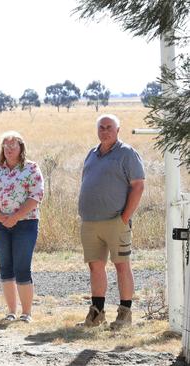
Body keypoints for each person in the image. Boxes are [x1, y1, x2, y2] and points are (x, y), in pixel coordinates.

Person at [77, 114, 145, 329]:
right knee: (95, 267)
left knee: (121, 266)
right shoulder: (92, 153)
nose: (105, 131)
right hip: (90, 222)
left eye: (109, 127)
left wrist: (124, 217)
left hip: (116, 221)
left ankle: (124, 315)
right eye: (101, 127)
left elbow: (138, 186)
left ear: (118, 130)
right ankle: (97, 314)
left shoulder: (127, 154)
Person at [0, 131, 44, 323]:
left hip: (26, 223)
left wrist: (15, 217)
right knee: (6, 267)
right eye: (5, 146)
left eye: (13, 146)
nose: (8, 150)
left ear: (21, 148)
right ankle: (10, 312)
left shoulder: (31, 168)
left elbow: (36, 196)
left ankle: (26, 313)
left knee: (22, 267)